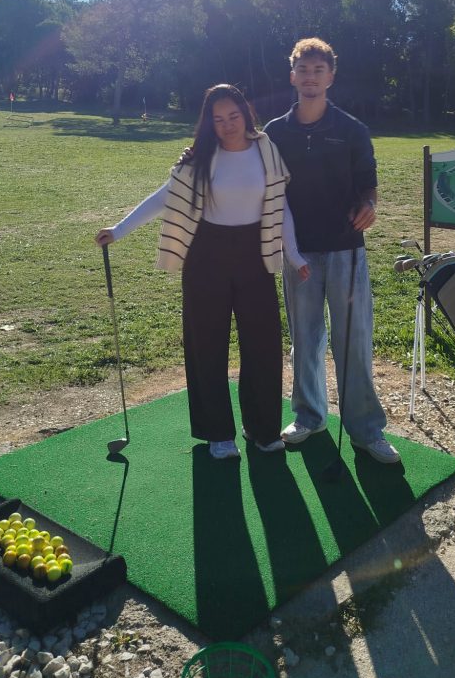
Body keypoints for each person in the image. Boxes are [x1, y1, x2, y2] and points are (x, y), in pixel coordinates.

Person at [95, 84, 309, 460]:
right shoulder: (197, 158)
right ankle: (218, 433)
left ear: (246, 114)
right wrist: (119, 229)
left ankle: (262, 429)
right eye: (218, 118)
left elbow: (281, 205)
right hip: (206, 256)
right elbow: (165, 197)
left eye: (233, 116)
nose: (227, 125)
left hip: (255, 256)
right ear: (209, 122)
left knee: (262, 345)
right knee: (206, 345)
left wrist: (293, 254)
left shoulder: (266, 149)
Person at [264, 38, 401, 465]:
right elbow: (250, 169)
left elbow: (368, 183)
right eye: (303, 70)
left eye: (318, 70)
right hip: (298, 253)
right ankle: (310, 416)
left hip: (346, 249)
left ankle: (365, 430)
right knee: (305, 338)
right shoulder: (275, 132)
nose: (310, 77)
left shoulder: (352, 129)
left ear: (331, 77)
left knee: (353, 340)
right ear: (292, 76)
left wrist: (370, 206)